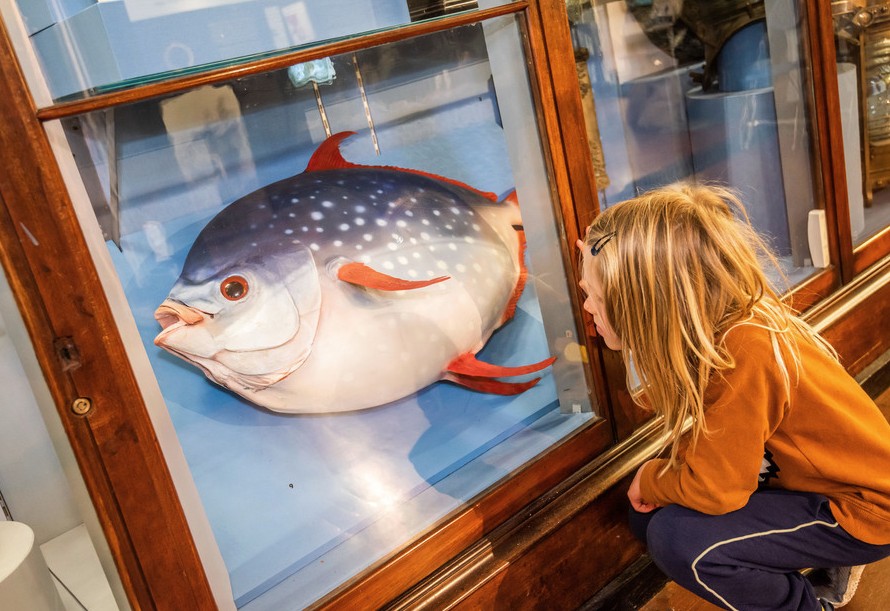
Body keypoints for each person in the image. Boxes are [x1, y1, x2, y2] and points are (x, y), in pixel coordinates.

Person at [577, 182, 890, 611]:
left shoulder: (744, 351)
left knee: (682, 541)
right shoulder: (726, 327)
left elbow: (715, 491)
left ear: (647, 301)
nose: (588, 307)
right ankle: (820, 561)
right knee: (649, 514)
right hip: (811, 483)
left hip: (865, 510)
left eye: (596, 295)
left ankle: (808, 600)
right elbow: (719, 450)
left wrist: (653, 475)